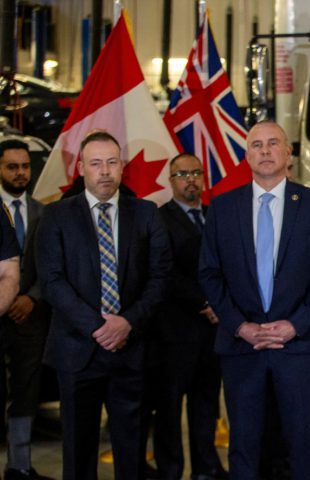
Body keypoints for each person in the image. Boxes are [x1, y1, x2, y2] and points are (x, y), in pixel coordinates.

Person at [198, 121, 310, 479]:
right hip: (241, 347)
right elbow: (210, 274)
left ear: (287, 153)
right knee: (244, 446)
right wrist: (240, 326)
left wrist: (295, 325)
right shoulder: (222, 208)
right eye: (256, 145)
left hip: (298, 346)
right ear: (247, 156)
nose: (264, 150)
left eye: (273, 143)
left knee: (301, 445)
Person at [36, 131, 172, 480]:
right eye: (96, 163)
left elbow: (160, 277)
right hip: (77, 349)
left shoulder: (146, 213)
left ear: (122, 166)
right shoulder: (56, 216)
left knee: (132, 449)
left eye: (112, 162)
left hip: (132, 347)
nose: (105, 171)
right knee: (78, 449)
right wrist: (99, 327)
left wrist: (127, 323)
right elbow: (52, 281)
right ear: (81, 168)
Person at [152, 153, 228, 480]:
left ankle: (206, 467)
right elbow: (164, 271)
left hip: (213, 332)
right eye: (182, 174)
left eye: (196, 172)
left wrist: (222, 303)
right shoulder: (159, 218)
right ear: (171, 181)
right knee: (169, 406)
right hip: (175, 331)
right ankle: (170, 470)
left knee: (206, 402)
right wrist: (204, 301)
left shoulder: (215, 215)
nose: (190, 179)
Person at [0, 140, 47, 480]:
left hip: (30, 317)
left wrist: (31, 296)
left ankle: (19, 466)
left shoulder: (44, 212)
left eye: (25, 166)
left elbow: (52, 263)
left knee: (26, 393)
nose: (20, 173)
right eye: (12, 167)